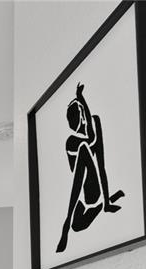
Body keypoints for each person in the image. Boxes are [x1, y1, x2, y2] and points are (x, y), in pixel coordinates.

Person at [55, 83, 125, 253]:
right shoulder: (71, 141)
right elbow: (77, 178)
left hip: (93, 192)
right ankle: (98, 208)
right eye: (73, 119)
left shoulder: (94, 124)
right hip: (81, 194)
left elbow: (101, 165)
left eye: (78, 117)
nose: (79, 121)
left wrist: (81, 99)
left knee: (86, 148)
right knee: (78, 226)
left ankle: (101, 205)